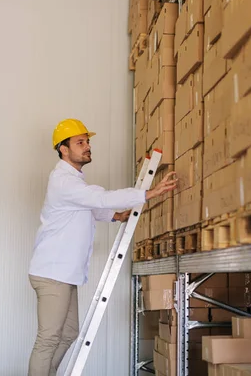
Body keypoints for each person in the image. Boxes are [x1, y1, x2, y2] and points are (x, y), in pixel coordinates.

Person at [27, 119, 176, 376]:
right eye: (80, 142)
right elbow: (99, 198)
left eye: (88, 141)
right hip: (52, 274)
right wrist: (149, 193)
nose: (87, 146)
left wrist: (116, 216)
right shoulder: (64, 181)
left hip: (63, 274)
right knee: (48, 339)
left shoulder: (74, 183)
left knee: (69, 333)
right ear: (63, 149)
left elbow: (92, 206)